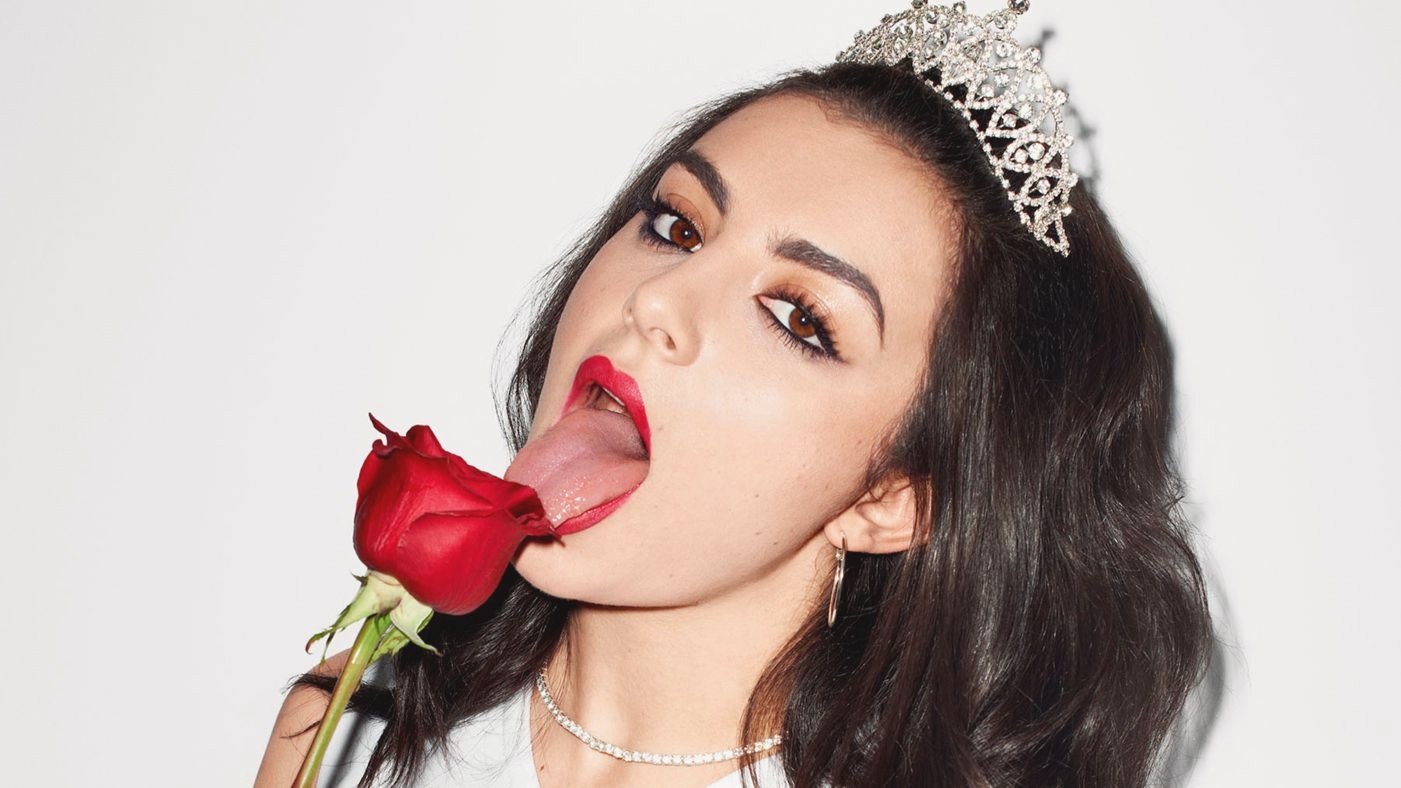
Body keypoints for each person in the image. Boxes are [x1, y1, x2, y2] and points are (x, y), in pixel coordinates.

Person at [258, 2, 1214, 786]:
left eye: (798, 317)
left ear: (892, 498)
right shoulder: (352, 725)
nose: (656, 300)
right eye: (677, 226)